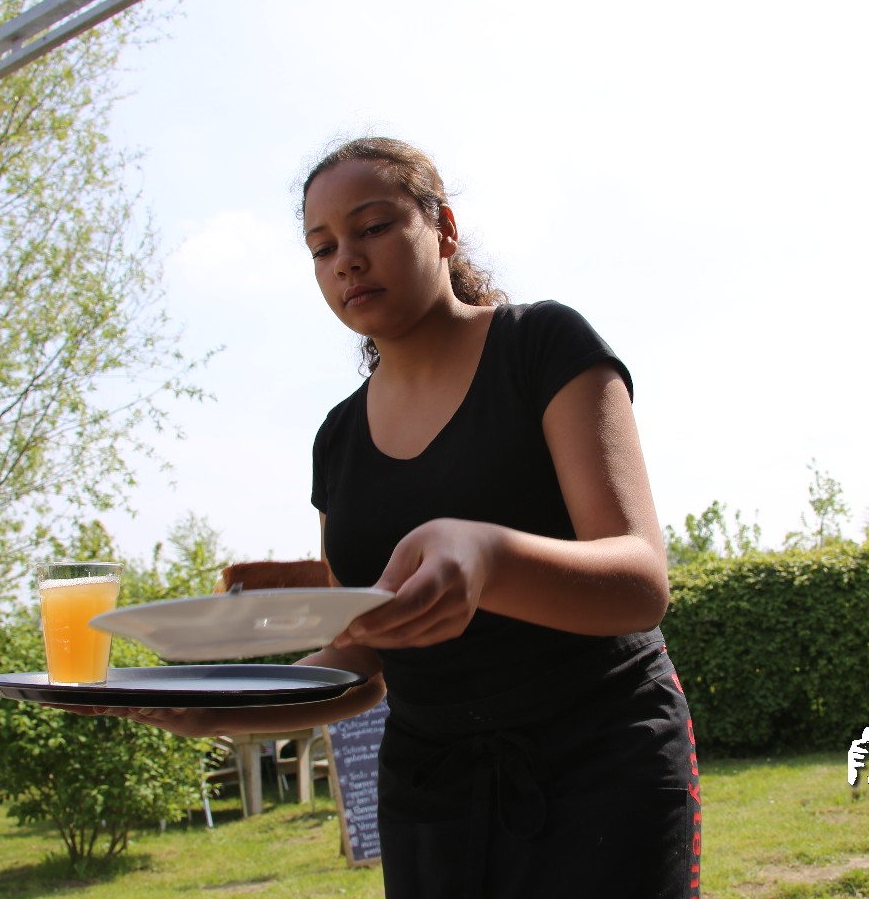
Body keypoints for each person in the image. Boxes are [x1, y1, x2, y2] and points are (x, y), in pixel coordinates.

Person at [76, 137, 702, 898]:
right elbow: (362, 658)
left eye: (372, 227)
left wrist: (488, 556)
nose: (347, 260)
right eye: (322, 247)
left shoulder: (541, 344)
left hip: (601, 762)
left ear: (443, 228)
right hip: (431, 790)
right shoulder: (337, 439)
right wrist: (220, 708)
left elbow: (640, 583)